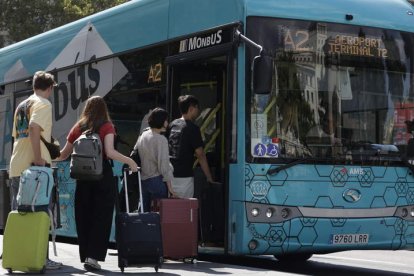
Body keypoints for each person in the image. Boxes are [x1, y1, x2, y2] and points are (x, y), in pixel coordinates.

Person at [56, 96, 138, 271]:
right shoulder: (107, 126)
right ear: (104, 109)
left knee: (83, 214)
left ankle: (86, 253)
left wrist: (45, 156)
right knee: (102, 216)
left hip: (82, 177)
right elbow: (110, 152)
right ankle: (93, 257)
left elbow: (63, 154)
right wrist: (130, 161)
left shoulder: (78, 128)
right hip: (102, 177)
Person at [8, 71, 63, 270]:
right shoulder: (44, 103)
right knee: (40, 214)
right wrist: (39, 158)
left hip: (16, 166)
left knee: (20, 214)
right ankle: (40, 258)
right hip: (35, 170)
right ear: (49, 88)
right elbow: (34, 128)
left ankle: (15, 255)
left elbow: (19, 136)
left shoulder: (22, 105)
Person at [167, 95, 215, 198]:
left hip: (168, 175)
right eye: (197, 108)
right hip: (184, 177)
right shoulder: (192, 128)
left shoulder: (172, 125)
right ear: (191, 109)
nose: (198, 111)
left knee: (170, 209)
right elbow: (200, 154)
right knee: (184, 210)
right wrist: (209, 177)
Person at [137, 108, 177, 211]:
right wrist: (170, 188)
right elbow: (163, 167)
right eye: (166, 120)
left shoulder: (144, 134)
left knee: (144, 214)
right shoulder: (161, 140)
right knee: (160, 216)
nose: (167, 122)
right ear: (162, 121)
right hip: (157, 181)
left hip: (144, 180)